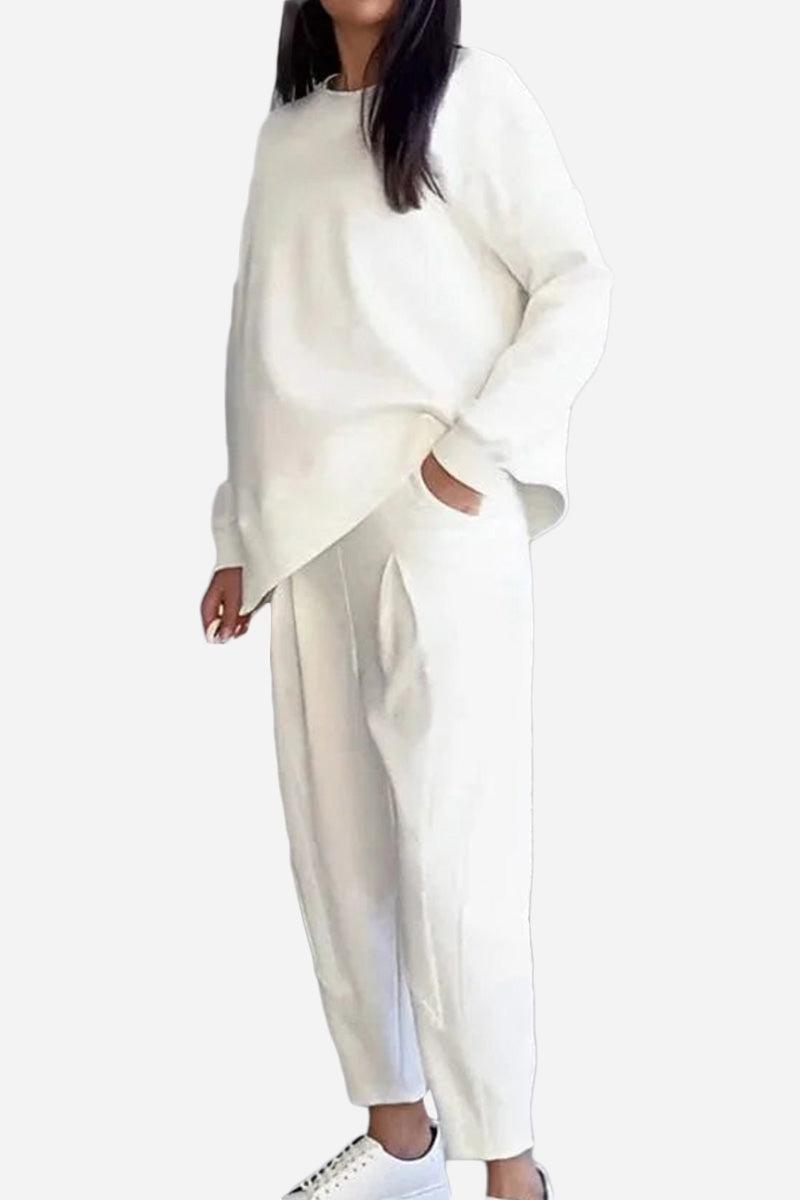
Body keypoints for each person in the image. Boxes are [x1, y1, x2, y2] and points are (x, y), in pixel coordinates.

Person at [200, 3, 612, 1199]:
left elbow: (575, 283)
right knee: (336, 848)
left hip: (434, 518)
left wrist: (473, 450)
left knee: (455, 849)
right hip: (303, 534)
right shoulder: (286, 135)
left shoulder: (469, 98)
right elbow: (255, 338)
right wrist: (235, 533)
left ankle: (508, 1166)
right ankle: (399, 1138)